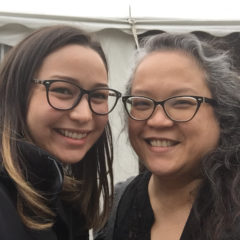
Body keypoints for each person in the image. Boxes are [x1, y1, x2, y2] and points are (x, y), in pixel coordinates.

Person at [95, 33, 240, 240]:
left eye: (182, 102)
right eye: (143, 102)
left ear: (223, 114)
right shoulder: (119, 203)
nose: (157, 121)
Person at [0, 25, 121, 240]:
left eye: (99, 95)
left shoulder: (64, 196)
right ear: (16, 92)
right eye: (62, 90)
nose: (84, 115)